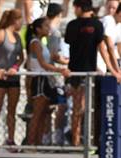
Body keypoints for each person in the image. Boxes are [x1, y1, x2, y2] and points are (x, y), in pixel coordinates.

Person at [65, 0, 121, 146]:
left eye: (75, 8)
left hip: (88, 71)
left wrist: (112, 69)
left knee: (86, 108)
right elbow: (72, 43)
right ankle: (76, 143)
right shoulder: (73, 24)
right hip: (75, 72)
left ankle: (88, 141)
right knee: (78, 108)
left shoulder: (96, 25)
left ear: (79, 7)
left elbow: (102, 47)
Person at [0, 9, 24, 151]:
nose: (22, 23)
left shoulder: (18, 37)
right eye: (21, 20)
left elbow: (21, 58)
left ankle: (11, 139)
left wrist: (15, 67)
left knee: (11, 111)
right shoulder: (1, 33)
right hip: (1, 77)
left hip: (14, 78)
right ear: (15, 20)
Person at [27, 17, 70, 146]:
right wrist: (59, 70)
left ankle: (38, 142)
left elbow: (51, 58)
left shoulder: (42, 43)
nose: (48, 28)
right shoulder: (35, 43)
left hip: (45, 80)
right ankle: (31, 143)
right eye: (45, 26)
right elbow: (43, 64)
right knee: (37, 114)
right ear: (38, 29)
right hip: (39, 79)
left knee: (44, 114)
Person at [46, 2, 69, 145]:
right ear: (59, 14)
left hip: (43, 72)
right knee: (59, 106)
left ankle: (46, 136)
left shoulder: (42, 29)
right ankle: (56, 137)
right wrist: (68, 62)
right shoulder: (54, 32)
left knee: (46, 108)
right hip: (53, 75)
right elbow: (54, 55)